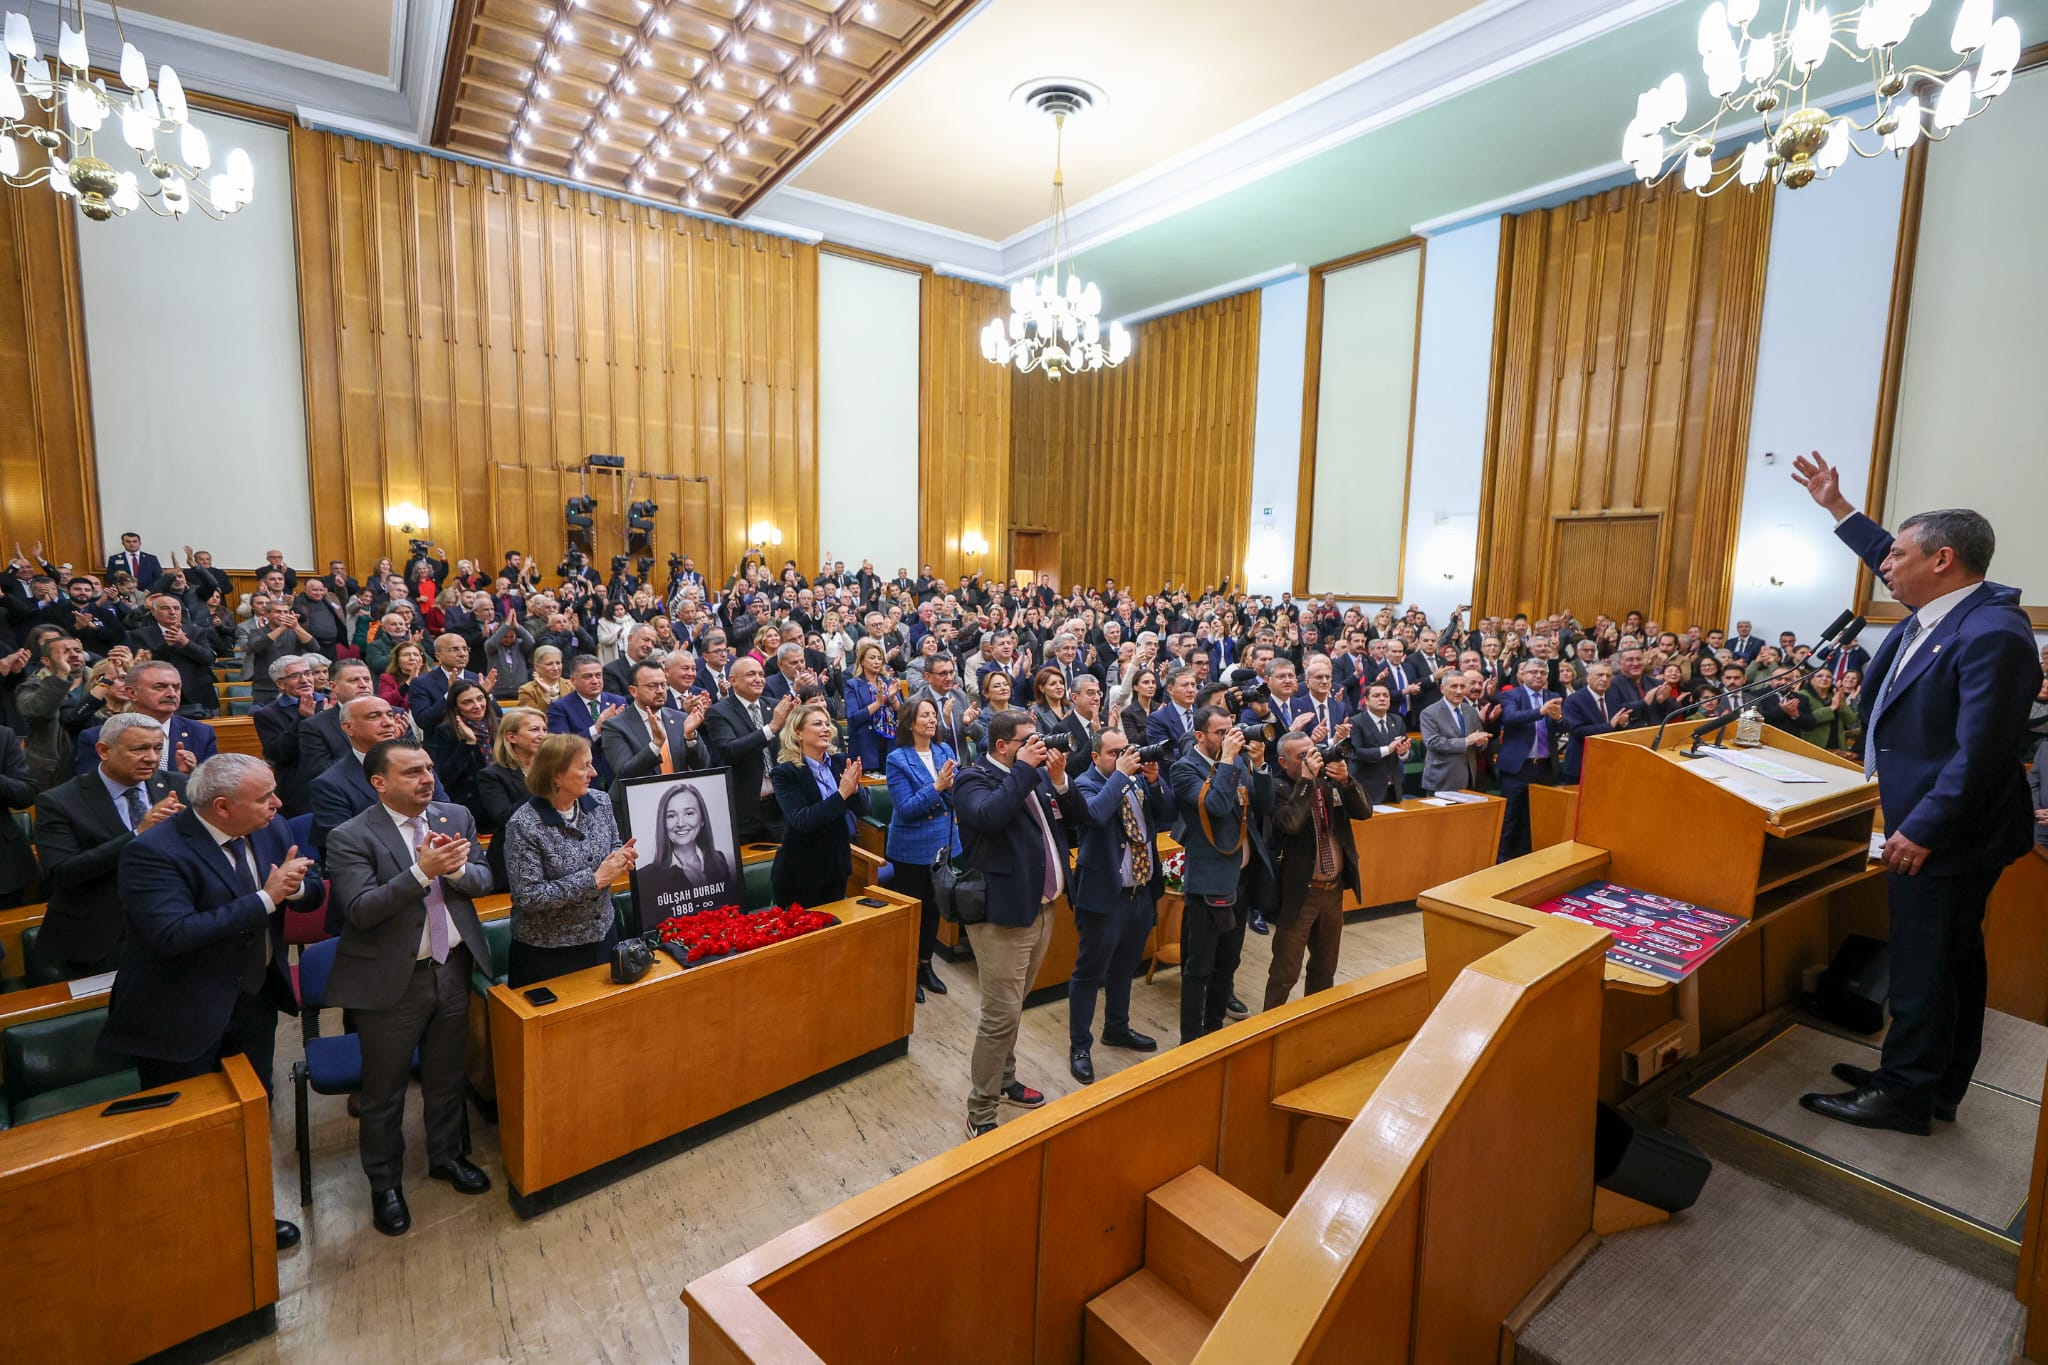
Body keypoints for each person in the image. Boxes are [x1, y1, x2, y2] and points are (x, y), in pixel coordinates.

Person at [1791, 453, 2041, 1135]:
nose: (1885, 565)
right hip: (1940, 822)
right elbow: (1890, 550)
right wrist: (1839, 509)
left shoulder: (1990, 633)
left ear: (1944, 560)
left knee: (1927, 962)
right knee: (1950, 960)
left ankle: (1905, 1093)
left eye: (1898, 555)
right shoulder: (1944, 609)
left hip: (1951, 832)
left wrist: (1923, 827)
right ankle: (1933, 1084)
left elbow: (1982, 753)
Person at [99, 752, 317, 1251]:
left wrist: (298, 888)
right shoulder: (153, 852)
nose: (278, 805)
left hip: (254, 999)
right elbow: (172, 934)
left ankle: (249, 1214)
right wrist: (267, 898)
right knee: (188, 1134)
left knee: (249, 1113)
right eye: (264, 798)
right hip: (180, 1014)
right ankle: (194, 1235)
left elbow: (306, 883)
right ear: (222, 807)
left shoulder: (271, 826)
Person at [323, 738, 497, 1235]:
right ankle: (385, 1184)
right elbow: (359, 910)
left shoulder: (455, 815)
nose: (426, 778)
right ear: (379, 783)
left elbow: (484, 880)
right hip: (391, 979)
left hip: (453, 967)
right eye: (411, 772)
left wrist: (459, 871)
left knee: (446, 1077)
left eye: (428, 767)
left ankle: (445, 1157)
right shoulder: (350, 836)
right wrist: (423, 872)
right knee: (385, 1091)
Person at [953, 708, 1083, 1137]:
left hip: (1042, 908)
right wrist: (1026, 769)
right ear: (1002, 745)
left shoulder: (1038, 775)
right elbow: (990, 816)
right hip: (1002, 917)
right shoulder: (973, 778)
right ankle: (981, 1110)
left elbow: (1077, 825)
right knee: (999, 1016)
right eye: (1029, 740)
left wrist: (1061, 782)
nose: (1038, 747)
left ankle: (1005, 1079)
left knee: (1013, 1008)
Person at [32, 713, 188, 974]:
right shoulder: (59, 801)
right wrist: (139, 833)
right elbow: (64, 873)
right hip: (97, 938)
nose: (151, 757)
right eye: (140, 748)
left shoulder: (178, 785)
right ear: (104, 750)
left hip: (172, 925)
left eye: (157, 747)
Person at [1068, 728, 1172, 1083]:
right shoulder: (1085, 784)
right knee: (1089, 973)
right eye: (1114, 753)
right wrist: (1122, 775)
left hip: (1139, 892)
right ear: (1095, 757)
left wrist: (1155, 784)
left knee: (1125, 967)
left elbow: (1167, 814)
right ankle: (1080, 1044)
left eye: (1126, 751)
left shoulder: (1135, 780)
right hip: (1104, 896)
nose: (1124, 757)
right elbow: (1094, 816)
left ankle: (1117, 1027)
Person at [1171, 705, 1273, 1044]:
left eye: (1231, 729)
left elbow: (1262, 806)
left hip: (1240, 880)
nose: (1230, 737)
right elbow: (1214, 807)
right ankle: (1190, 1041)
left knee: (1228, 963)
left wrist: (1258, 766)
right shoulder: (1184, 769)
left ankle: (1213, 1033)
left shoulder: (1239, 762)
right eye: (1220, 732)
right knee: (1199, 968)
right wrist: (1229, 760)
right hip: (1209, 881)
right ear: (1199, 736)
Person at [500, 734, 635, 986]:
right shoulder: (524, 825)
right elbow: (528, 896)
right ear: (556, 775)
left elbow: (614, 844)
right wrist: (594, 880)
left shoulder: (600, 802)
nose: (593, 772)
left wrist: (621, 857)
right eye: (584, 766)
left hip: (603, 934)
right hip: (549, 952)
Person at [1264, 731, 1371, 1010]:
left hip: (1332, 892)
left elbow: (1364, 811)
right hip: (1299, 894)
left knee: (1325, 970)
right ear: (1283, 762)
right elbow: (1289, 823)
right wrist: (1306, 781)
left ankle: (1314, 1024)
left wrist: (1346, 781)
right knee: (1285, 973)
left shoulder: (1330, 783)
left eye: (1313, 752)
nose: (1313, 759)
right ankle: (1268, 1032)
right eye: (1302, 756)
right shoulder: (1276, 788)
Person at [885, 696, 960, 1004]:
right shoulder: (898, 759)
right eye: (925, 715)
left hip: (943, 843)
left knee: (934, 908)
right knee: (914, 911)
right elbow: (905, 809)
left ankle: (926, 965)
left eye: (933, 715)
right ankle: (908, 972)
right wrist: (939, 787)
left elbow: (958, 796)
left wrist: (955, 788)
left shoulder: (944, 750)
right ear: (910, 723)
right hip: (912, 847)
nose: (932, 720)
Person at [769, 700, 868, 908]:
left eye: (827, 724)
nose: (826, 729)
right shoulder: (785, 772)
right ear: (798, 733)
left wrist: (855, 791)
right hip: (800, 874)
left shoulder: (840, 761)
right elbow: (802, 820)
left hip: (836, 867)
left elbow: (866, 810)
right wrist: (842, 794)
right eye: (817, 724)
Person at [702, 655, 798, 843]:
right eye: (751, 674)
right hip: (744, 810)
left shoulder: (774, 706)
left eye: (761, 674)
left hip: (779, 805)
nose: (758, 679)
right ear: (733, 680)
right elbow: (730, 750)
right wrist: (771, 728)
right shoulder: (719, 712)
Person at [635, 778, 735, 921]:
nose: (680, 823)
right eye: (671, 816)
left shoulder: (720, 860)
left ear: (702, 820)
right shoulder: (645, 877)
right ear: (663, 823)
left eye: (689, 813)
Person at [1495, 659, 1562, 860]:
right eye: (1533, 672)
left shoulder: (1554, 696)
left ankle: (1529, 861)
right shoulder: (1511, 695)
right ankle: (1502, 862)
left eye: (1542, 672)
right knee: (1510, 819)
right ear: (1523, 674)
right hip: (1517, 769)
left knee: (1535, 819)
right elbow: (1510, 717)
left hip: (1544, 767)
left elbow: (1565, 726)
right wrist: (1539, 712)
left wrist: (1559, 719)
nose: (1538, 675)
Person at [477, 705, 547, 892]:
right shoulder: (492, 776)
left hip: (551, 856)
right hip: (513, 862)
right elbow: (504, 818)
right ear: (511, 737)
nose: (542, 735)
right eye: (534, 729)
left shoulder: (555, 770)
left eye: (544, 729)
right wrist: (540, 782)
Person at [253, 654, 326, 816]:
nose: (304, 679)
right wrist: (302, 719)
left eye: (308, 673)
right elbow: (278, 754)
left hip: (333, 782)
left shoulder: (329, 704)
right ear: (280, 684)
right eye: (295, 676)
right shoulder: (267, 714)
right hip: (300, 792)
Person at [545, 655, 630, 786]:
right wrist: (596, 729)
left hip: (618, 778)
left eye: (598, 675)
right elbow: (562, 748)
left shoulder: (618, 701)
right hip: (584, 781)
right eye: (588, 676)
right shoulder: (560, 708)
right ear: (573, 680)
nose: (595, 681)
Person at [427, 678, 497, 817]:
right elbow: (446, 775)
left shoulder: (498, 725)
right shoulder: (446, 731)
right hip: (468, 802)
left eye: (480, 698)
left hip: (498, 795)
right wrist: (468, 743)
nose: (477, 705)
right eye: (467, 702)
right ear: (456, 706)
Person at [1559, 662, 1632, 784]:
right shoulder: (1574, 700)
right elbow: (1578, 731)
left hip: (1609, 764)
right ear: (1588, 678)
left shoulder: (1613, 697)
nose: (1604, 679)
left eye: (1608, 676)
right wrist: (1610, 725)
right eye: (1600, 675)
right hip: (1582, 764)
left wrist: (1623, 723)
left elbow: (1617, 727)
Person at [1419, 672, 1490, 795]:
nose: (1459, 691)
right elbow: (1433, 743)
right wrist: (1467, 741)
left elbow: (1479, 739)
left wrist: (1481, 743)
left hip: (1469, 777)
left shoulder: (1471, 711)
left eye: (1462, 686)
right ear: (1442, 689)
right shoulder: (1429, 713)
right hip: (1442, 779)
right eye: (1454, 686)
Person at [1348, 683, 1409, 805]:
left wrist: (1404, 753)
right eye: (1376, 696)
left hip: (1394, 789)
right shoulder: (1355, 721)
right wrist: (1388, 749)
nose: (1382, 698)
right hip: (1368, 790)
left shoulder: (1396, 720)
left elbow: (1407, 750)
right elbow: (1355, 752)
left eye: (1385, 695)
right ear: (1366, 700)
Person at [843, 640, 896, 770]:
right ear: (861, 661)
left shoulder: (888, 682)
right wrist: (878, 703)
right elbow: (853, 718)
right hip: (866, 746)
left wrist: (892, 698)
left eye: (879, 658)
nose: (877, 661)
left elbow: (903, 713)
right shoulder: (853, 685)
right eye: (872, 658)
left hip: (890, 744)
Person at [518, 644, 569, 713]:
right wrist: (546, 697)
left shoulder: (572, 686)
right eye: (550, 664)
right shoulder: (527, 690)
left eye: (558, 663)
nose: (556, 668)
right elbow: (532, 719)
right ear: (536, 667)